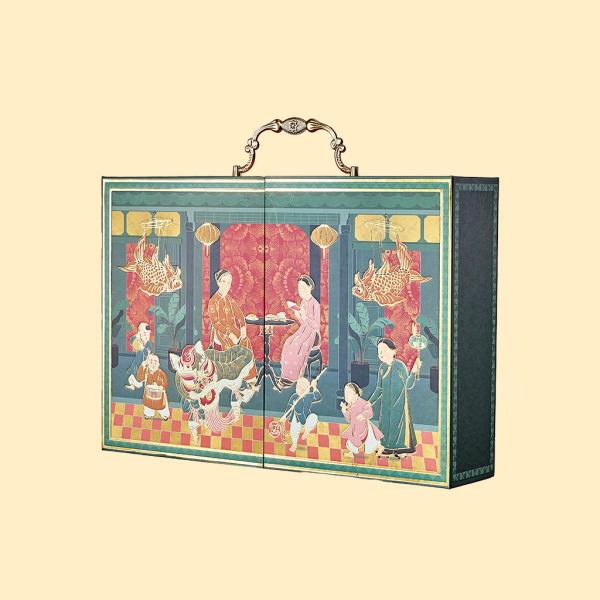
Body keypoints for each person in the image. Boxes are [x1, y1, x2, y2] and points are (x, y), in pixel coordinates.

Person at [368, 338, 421, 457]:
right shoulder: (382, 368)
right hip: (386, 403)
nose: (381, 353)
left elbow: (408, 385)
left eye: (384, 350)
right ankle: (387, 447)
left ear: (393, 351)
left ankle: (401, 449)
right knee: (385, 424)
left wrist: (414, 372)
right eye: (379, 351)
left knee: (398, 426)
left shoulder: (400, 366)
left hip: (399, 403)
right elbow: (379, 389)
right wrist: (370, 402)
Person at [208, 269, 257, 382]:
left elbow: (240, 315)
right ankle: (235, 378)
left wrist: (243, 328)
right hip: (221, 332)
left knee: (245, 341)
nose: (226, 285)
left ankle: (250, 377)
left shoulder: (229, 299)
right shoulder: (213, 301)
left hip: (233, 329)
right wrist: (230, 334)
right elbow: (216, 323)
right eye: (223, 281)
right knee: (233, 346)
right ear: (218, 282)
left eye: (228, 282)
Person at [278, 275, 320, 388]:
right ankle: (285, 376)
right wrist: (298, 315)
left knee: (298, 346)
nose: (301, 290)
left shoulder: (315, 304)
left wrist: (305, 316)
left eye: (303, 287)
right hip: (303, 331)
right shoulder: (303, 302)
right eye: (299, 288)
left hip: (313, 334)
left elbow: (316, 326)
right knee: (288, 343)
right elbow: (303, 323)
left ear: (310, 287)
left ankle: (293, 378)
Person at [340, 382, 384, 458]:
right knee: (351, 440)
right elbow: (349, 419)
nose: (346, 395)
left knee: (371, 441)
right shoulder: (349, 405)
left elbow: (370, 412)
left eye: (349, 393)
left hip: (365, 427)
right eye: (345, 393)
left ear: (356, 395)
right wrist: (344, 411)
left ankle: (380, 448)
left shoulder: (363, 403)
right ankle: (351, 452)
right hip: (354, 428)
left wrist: (363, 415)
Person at [279, 377, 320, 453]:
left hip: (306, 417)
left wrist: (314, 387)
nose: (300, 390)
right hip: (296, 418)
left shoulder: (309, 396)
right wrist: (285, 416)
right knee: (293, 432)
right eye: (298, 387)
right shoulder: (294, 396)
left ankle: (307, 431)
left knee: (314, 417)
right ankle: (294, 444)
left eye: (303, 388)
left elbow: (318, 397)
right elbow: (289, 407)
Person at [136, 353, 170, 420]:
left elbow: (165, 384)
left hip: (160, 395)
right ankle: (148, 414)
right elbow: (140, 378)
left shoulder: (161, 373)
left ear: (158, 364)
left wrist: (162, 387)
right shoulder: (146, 372)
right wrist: (142, 366)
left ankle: (164, 415)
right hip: (148, 394)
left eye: (155, 362)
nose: (153, 364)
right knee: (148, 406)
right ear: (147, 363)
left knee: (162, 407)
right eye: (151, 362)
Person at [125, 322, 154, 390]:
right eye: (144, 334)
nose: (146, 337)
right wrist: (136, 336)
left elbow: (147, 354)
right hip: (137, 362)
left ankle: (140, 385)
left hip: (144, 364)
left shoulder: (149, 344)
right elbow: (131, 340)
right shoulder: (139, 341)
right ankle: (132, 385)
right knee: (133, 375)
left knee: (141, 376)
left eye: (148, 335)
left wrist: (143, 348)